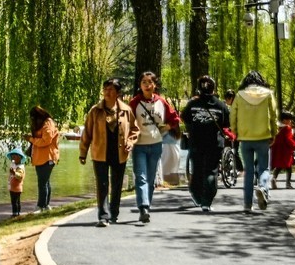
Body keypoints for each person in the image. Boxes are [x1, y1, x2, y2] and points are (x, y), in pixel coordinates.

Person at [79, 78, 140, 226]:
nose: (107, 92)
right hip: (100, 152)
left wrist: (130, 142)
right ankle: (103, 216)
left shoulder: (126, 110)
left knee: (117, 184)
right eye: (105, 89)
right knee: (102, 184)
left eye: (111, 89)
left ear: (118, 93)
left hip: (119, 153)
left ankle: (114, 213)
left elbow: (135, 129)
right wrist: (83, 152)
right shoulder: (95, 111)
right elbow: (87, 132)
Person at [128, 71, 180, 223]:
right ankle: (143, 207)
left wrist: (166, 127)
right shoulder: (134, 103)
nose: (147, 85)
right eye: (144, 82)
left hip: (156, 145)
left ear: (154, 85)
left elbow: (175, 118)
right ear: (140, 85)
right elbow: (127, 121)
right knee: (141, 178)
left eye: (149, 82)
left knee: (150, 179)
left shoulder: (161, 102)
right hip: (139, 146)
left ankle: (147, 205)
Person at [230, 71, 278, 212]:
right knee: (263, 168)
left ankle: (247, 205)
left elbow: (233, 115)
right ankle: (263, 187)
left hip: (245, 138)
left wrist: (235, 132)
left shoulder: (239, 95)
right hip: (263, 136)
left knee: (248, 170)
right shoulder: (268, 94)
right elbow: (273, 115)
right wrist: (274, 133)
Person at [181, 75, 229, 212]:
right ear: (213, 89)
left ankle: (196, 196)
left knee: (197, 170)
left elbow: (184, 118)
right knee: (211, 171)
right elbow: (226, 123)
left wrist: (194, 127)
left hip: (196, 142)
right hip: (214, 143)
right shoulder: (221, 105)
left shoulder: (192, 104)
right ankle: (206, 202)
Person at [28, 106, 60, 214]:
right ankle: (46, 205)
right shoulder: (43, 123)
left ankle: (40, 206)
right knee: (45, 182)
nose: (33, 120)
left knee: (42, 183)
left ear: (38, 116)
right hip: (41, 157)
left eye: (33, 118)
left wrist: (31, 139)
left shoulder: (48, 123)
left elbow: (46, 140)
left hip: (47, 157)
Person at [270, 113, 295, 189]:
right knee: (288, 167)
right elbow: (288, 139)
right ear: (284, 120)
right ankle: (288, 183)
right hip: (285, 149)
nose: (290, 122)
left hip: (277, 149)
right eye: (289, 120)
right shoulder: (287, 128)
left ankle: (274, 178)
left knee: (279, 166)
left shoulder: (276, 127)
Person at [7, 149, 26, 217]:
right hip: (12, 187)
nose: (13, 159)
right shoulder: (14, 165)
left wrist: (14, 173)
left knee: (16, 201)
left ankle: (16, 213)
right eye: (12, 157)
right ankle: (15, 212)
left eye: (14, 157)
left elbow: (20, 176)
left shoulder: (20, 167)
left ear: (19, 157)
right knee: (14, 201)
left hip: (17, 187)